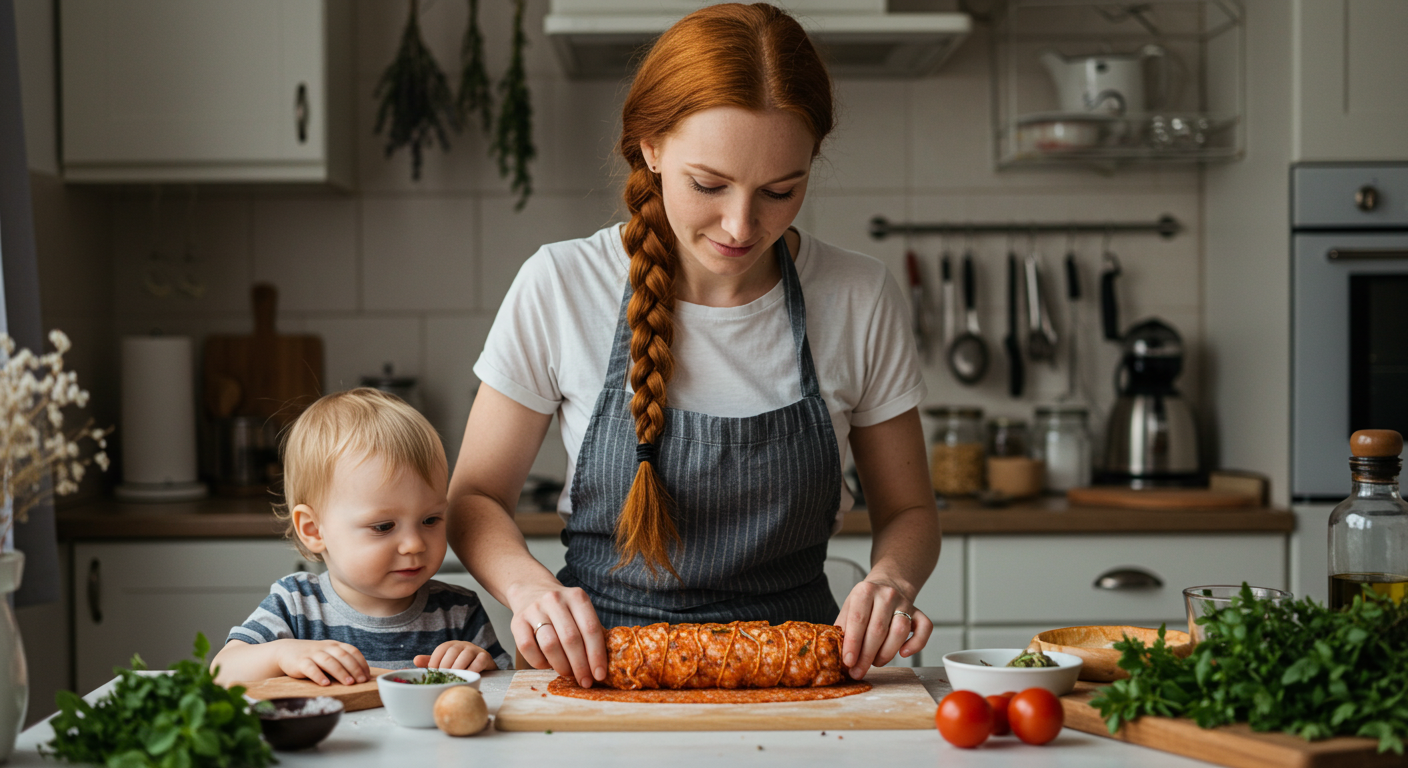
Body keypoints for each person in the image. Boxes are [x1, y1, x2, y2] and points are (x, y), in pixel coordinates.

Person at [448, 2, 940, 690]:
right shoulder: (560, 284)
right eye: (708, 184)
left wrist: (891, 579)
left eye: (780, 189)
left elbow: (911, 511)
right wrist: (529, 592)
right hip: (599, 680)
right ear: (651, 147)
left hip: (799, 682)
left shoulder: (858, 294)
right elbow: (474, 498)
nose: (741, 225)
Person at [212, 388, 509, 686]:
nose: (415, 544)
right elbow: (220, 672)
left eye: (430, 519)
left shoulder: (458, 610)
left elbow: (506, 686)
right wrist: (279, 654)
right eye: (383, 526)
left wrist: (480, 663)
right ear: (314, 530)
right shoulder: (296, 605)